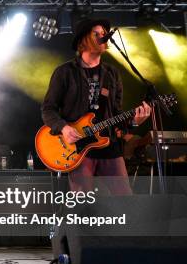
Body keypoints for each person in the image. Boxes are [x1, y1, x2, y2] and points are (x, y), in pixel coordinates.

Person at [41, 18, 151, 194]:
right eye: (97, 33)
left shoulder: (112, 74)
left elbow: (116, 114)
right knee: (82, 203)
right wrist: (64, 128)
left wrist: (135, 122)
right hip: (79, 149)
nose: (103, 36)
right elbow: (48, 109)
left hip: (109, 147)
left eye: (104, 33)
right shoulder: (65, 72)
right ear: (83, 39)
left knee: (124, 200)